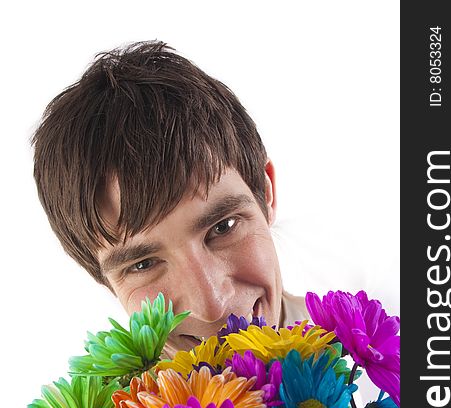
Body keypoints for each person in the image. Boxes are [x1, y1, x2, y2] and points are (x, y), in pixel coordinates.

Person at [32, 40, 308, 358]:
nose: (211, 306)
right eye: (143, 264)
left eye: (224, 226)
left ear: (266, 191)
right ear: (103, 279)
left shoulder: (369, 364)